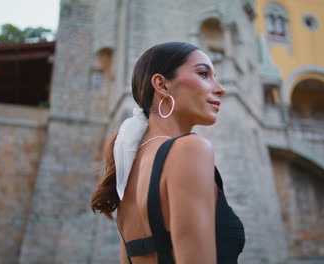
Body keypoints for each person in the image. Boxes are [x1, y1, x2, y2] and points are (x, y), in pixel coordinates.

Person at [91, 42, 245, 264]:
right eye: (204, 74)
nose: (221, 88)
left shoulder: (128, 168)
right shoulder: (189, 150)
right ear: (161, 84)